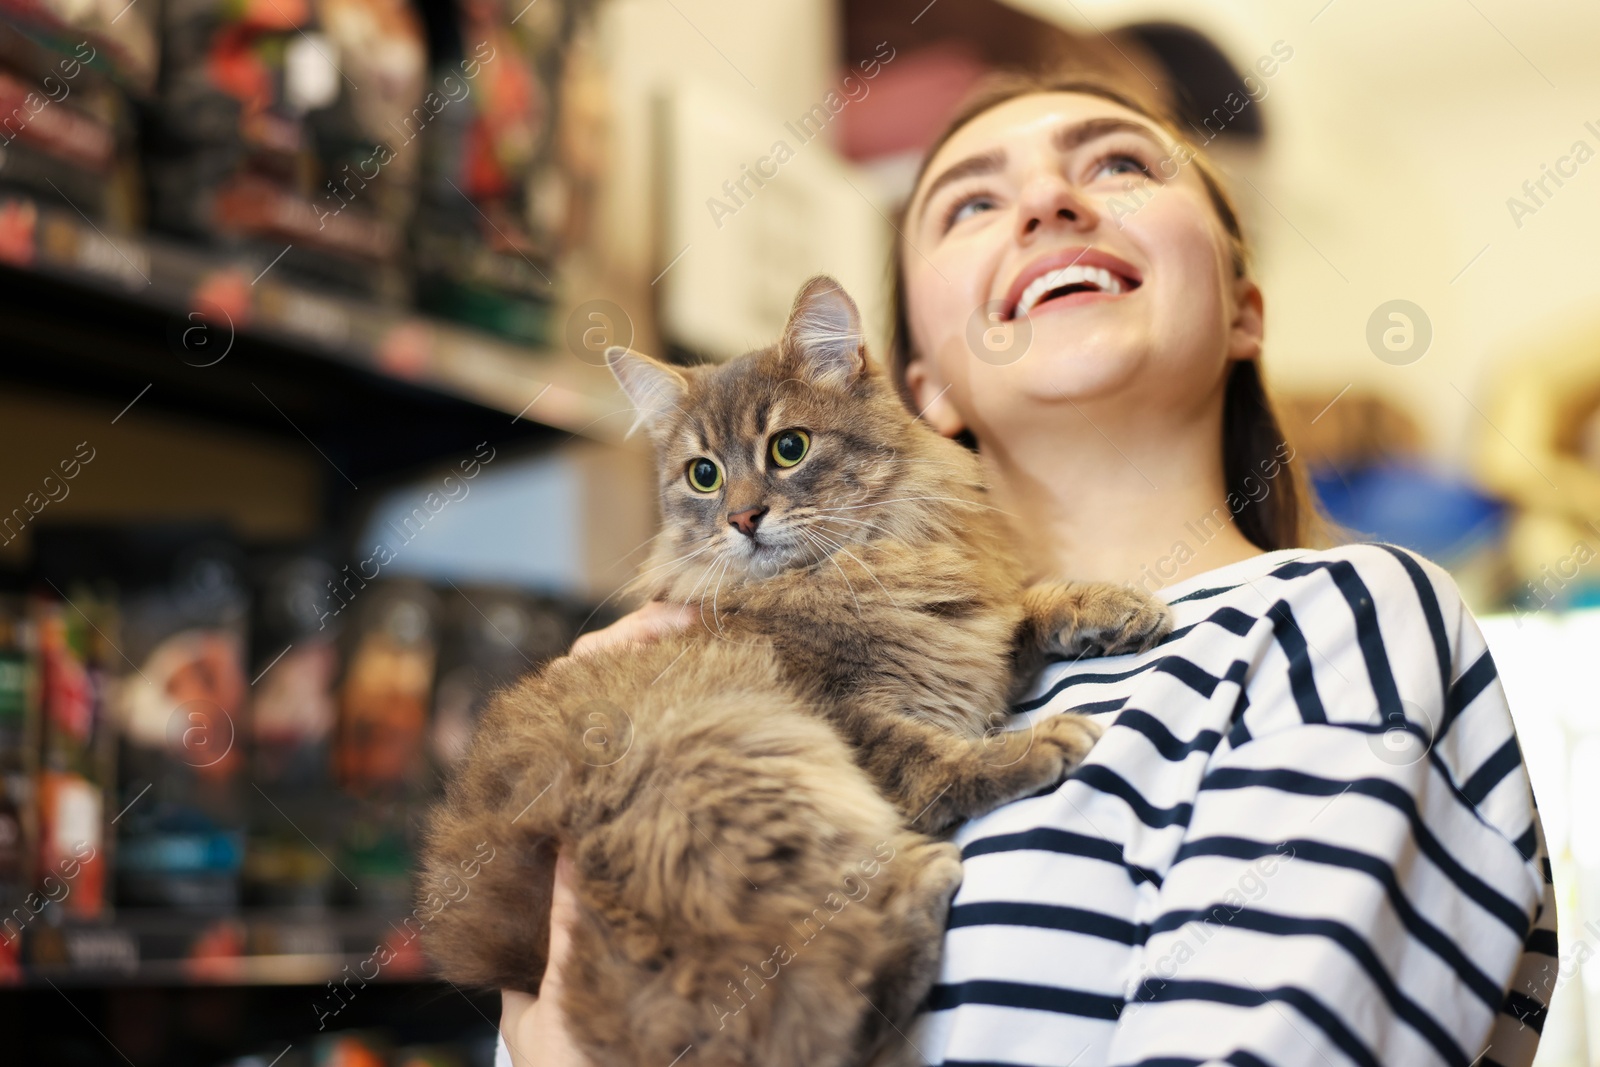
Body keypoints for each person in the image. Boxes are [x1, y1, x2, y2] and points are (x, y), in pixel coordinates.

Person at [496, 71, 1556, 1067]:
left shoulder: (1339, 617)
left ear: (1242, 306)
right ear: (924, 384)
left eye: (1118, 166)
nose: (1048, 198)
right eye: (969, 203)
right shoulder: (743, 646)